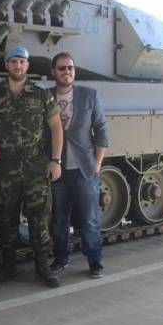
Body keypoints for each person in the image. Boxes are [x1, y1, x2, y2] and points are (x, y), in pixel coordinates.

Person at [0, 46, 64, 287]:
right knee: (7, 220)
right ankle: (8, 266)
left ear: (27, 66)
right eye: (14, 61)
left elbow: (56, 128)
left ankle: (43, 267)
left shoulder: (40, 94)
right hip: (4, 168)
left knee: (39, 218)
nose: (18, 66)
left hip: (36, 167)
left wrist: (56, 160)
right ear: (7, 65)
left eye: (22, 62)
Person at [48, 52, 109, 280]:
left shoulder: (89, 95)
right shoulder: (46, 96)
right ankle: (61, 258)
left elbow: (101, 128)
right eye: (62, 68)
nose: (67, 72)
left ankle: (95, 261)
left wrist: (97, 163)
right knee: (58, 220)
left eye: (70, 68)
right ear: (54, 72)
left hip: (85, 169)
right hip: (57, 170)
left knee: (89, 219)